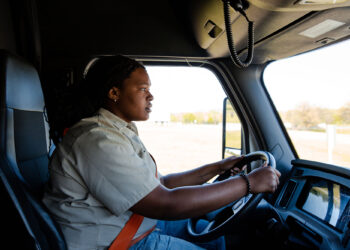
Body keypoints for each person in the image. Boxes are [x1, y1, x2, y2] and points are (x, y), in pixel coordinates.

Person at [43, 55, 281, 250]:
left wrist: (217, 168)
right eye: (143, 88)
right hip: (115, 243)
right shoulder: (96, 139)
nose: (151, 96)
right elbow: (165, 203)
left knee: (213, 238)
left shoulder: (117, 131)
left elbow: (162, 184)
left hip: (133, 225)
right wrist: (247, 183)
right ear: (114, 93)